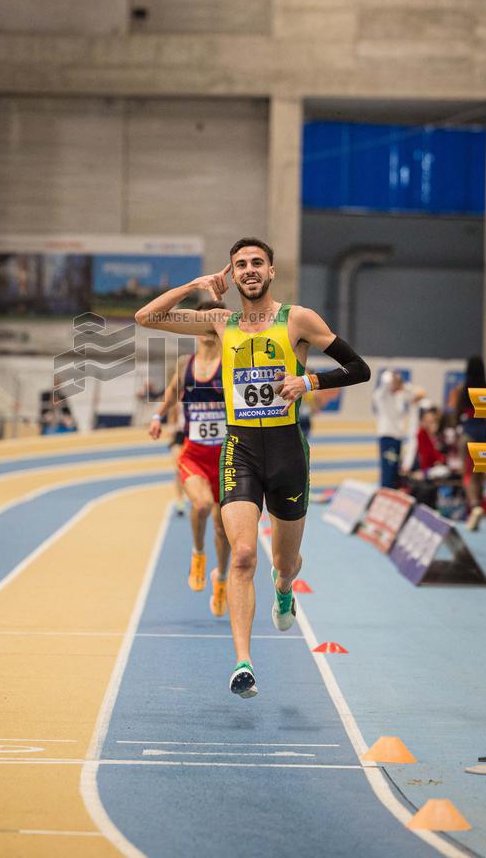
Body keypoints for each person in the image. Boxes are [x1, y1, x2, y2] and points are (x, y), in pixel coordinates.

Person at [136, 238, 371, 699]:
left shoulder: (297, 319)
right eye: (240, 264)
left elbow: (358, 367)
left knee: (284, 561)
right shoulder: (220, 322)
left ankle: (284, 589)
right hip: (239, 448)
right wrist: (193, 284)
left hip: (287, 452)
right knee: (243, 554)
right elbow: (145, 318)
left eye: (256, 263)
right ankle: (243, 663)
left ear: (271, 271)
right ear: (231, 273)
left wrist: (309, 380)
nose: (248, 270)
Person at [149, 301, 230, 615]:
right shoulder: (185, 364)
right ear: (195, 327)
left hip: (227, 458)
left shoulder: (232, 362)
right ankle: (198, 554)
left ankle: (221, 579)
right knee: (201, 506)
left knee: (223, 528)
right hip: (194, 454)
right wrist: (158, 416)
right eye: (204, 324)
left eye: (215, 324)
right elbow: (171, 393)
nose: (209, 331)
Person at [456, 356, 486, 531]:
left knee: (467, 473)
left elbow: (456, 415)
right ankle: (480, 504)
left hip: (468, 433)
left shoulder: (462, 390)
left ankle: (474, 506)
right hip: (484, 432)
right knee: (479, 472)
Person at [372, 370, 425, 489]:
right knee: (388, 472)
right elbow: (386, 380)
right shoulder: (381, 395)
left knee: (395, 472)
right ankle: (386, 494)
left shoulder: (399, 396)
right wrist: (394, 377)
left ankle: (392, 493)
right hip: (387, 438)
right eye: (395, 382)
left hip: (397, 439)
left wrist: (402, 385)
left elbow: (419, 393)